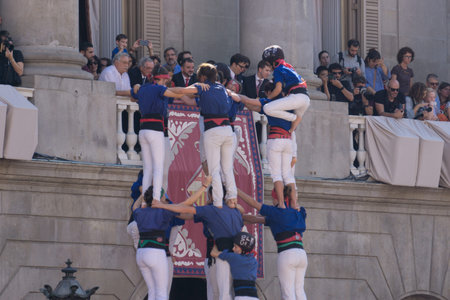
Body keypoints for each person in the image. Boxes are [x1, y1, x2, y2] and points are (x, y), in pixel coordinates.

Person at [131, 65, 210, 201]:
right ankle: (155, 199)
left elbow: (132, 95)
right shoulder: (158, 88)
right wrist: (196, 86)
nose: (166, 83)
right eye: (165, 80)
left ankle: (145, 201)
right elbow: (178, 92)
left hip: (143, 130)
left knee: (148, 168)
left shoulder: (143, 89)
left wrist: (135, 87)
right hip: (155, 130)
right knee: (158, 168)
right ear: (161, 79)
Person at [152, 189, 244, 300]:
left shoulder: (212, 209)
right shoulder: (232, 210)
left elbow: (183, 211)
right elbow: (186, 215)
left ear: (211, 195)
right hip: (225, 255)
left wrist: (164, 207)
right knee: (222, 291)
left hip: (220, 254)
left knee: (221, 292)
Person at [237, 188, 307, 300]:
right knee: (299, 291)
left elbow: (255, 204)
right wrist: (240, 217)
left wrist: (236, 190)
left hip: (287, 254)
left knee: (287, 293)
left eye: (273, 198)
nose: (272, 201)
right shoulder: (300, 212)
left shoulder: (277, 212)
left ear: (278, 198)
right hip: (302, 254)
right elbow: (256, 219)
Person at [238, 85, 298, 209]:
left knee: (276, 175)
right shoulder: (290, 105)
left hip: (275, 140)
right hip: (288, 141)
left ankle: (281, 203)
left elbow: (249, 101)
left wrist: (233, 95)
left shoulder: (270, 103)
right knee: (288, 175)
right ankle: (294, 203)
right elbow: (253, 107)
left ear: (270, 91)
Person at [195, 63, 240, 208]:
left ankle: (218, 201)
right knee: (227, 168)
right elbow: (233, 102)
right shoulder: (222, 88)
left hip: (212, 130)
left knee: (214, 169)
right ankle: (232, 198)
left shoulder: (202, 87)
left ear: (202, 76)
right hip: (228, 130)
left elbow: (187, 94)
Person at [132, 186, 180, 300]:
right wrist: (202, 188)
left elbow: (134, 207)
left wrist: (142, 195)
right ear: (158, 198)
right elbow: (181, 207)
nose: (165, 197)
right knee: (162, 293)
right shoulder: (163, 211)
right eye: (163, 195)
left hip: (141, 253)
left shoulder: (140, 212)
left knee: (152, 290)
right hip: (155, 252)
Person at [260, 45, 310, 133]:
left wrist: (267, 99)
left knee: (267, 108)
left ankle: (293, 118)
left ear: (273, 62)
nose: (269, 67)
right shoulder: (289, 67)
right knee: (290, 131)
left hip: (296, 97)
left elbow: (278, 89)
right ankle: (294, 121)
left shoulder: (278, 69)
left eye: (268, 63)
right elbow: (301, 80)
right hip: (306, 98)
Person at [210, 232, 258, 300]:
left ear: (242, 249)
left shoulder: (234, 258)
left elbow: (213, 253)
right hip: (254, 297)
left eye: (235, 246)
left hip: (241, 297)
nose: (233, 249)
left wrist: (215, 242)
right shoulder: (254, 261)